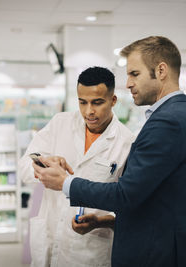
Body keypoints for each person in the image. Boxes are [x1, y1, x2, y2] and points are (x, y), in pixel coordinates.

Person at [33, 36, 186, 267]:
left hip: (153, 254)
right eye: (82, 102)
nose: (128, 83)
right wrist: (105, 222)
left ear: (161, 70)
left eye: (134, 74)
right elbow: (150, 202)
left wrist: (66, 182)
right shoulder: (173, 115)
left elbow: (126, 194)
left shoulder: (168, 121)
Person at [18, 66, 135, 267]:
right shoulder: (60, 123)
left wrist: (103, 221)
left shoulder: (126, 143)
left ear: (113, 100)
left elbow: (128, 202)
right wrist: (44, 165)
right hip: (50, 237)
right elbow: (24, 167)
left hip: (90, 250)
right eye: (83, 102)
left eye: (97, 103)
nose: (89, 111)